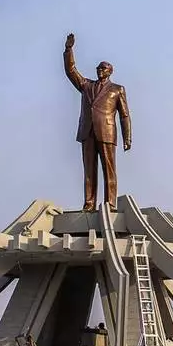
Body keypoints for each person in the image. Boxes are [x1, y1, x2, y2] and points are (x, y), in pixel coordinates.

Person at [63, 33, 132, 212]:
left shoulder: (118, 89)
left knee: (109, 169)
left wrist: (127, 138)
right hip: (87, 131)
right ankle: (89, 203)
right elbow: (71, 71)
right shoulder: (87, 85)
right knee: (89, 171)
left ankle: (110, 203)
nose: (99, 70)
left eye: (103, 68)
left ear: (110, 71)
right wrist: (69, 50)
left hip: (107, 132)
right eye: (98, 68)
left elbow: (124, 115)